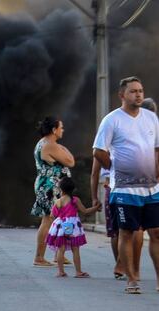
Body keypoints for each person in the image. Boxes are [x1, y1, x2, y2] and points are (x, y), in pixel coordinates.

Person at [93, 76, 159, 294]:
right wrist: (114, 168)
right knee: (127, 232)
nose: (138, 94)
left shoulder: (151, 118)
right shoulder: (112, 120)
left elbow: (157, 149)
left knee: (156, 232)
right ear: (122, 95)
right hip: (124, 189)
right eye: (133, 91)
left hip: (151, 188)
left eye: (140, 90)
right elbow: (98, 151)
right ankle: (131, 279)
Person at [31, 116, 75, 267]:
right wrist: (64, 149)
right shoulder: (50, 145)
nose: (63, 130)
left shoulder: (43, 143)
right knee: (48, 219)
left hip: (47, 184)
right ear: (54, 130)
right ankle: (39, 257)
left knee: (57, 218)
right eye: (60, 127)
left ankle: (58, 254)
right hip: (51, 186)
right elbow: (70, 161)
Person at [46, 177, 101, 277]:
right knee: (75, 249)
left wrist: (58, 220)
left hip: (62, 226)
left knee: (60, 249)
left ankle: (60, 271)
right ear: (72, 189)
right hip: (72, 226)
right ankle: (78, 271)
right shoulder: (75, 200)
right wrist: (96, 208)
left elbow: (52, 215)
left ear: (61, 189)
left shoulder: (58, 201)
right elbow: (85, 211)